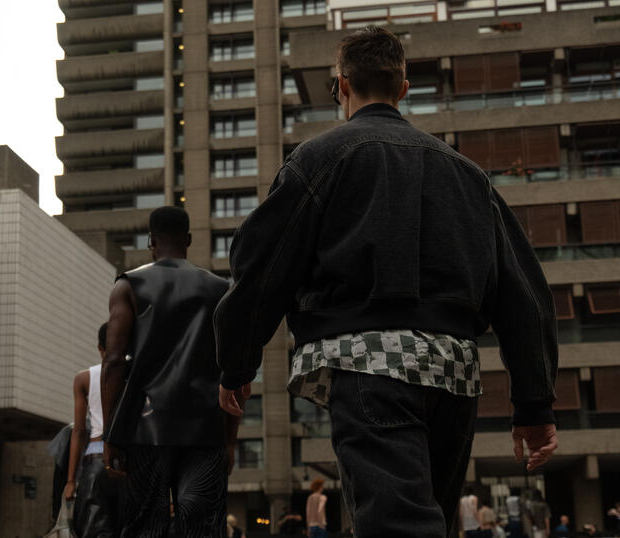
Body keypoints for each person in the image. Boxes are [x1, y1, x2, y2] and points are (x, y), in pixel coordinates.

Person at [214, 26, 559, 538]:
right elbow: (523, 294)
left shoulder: (318, 160)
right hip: (454, 375)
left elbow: (262, 262)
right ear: (403, 88)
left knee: (397, 524)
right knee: (430, 522)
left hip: (368, 364)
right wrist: (534, 404)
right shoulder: (468, 176)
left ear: (341, 86)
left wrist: (237, 360)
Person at [99, 207, 236, 537]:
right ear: (189, 240)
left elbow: (114, 360)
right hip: (206, 429)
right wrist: (229, 441)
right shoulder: (221, 289)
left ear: (151, 241)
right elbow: (232, 370)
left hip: (146, 429)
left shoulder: (128, 286)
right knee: (200, 526)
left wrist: (111, 434)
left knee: (147, 526)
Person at [63, 322, 123, 538]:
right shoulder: (134, 374)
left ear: (100, 347)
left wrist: (70, 481)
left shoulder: (84, 378)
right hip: (129, 461)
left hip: (96, 461)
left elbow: (78, 431)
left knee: (93, 529)